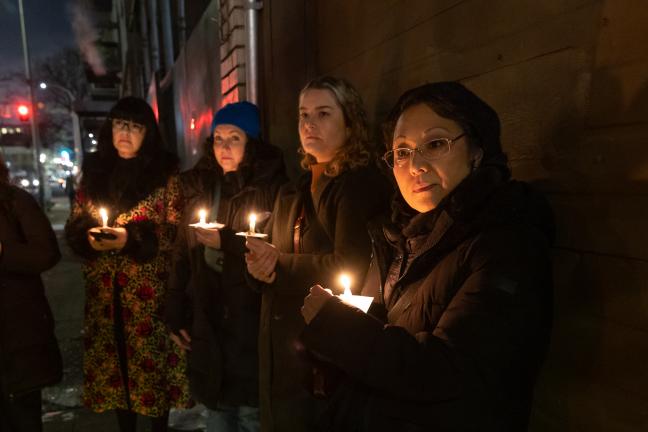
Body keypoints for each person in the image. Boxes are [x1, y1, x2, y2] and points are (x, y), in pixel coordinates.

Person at [299, 82, 555, 431]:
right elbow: (402, 329)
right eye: (401, 152)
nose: (415, 165)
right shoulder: (404, 237)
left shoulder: (508, 244)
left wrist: (338, 326)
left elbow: (449, 374)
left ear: (477, 149)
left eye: (435, 144)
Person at [244, 76, 392, 432]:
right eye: (303, 114)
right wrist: (259, 266)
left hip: (325, 359)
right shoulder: (299, 185)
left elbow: (349, 266)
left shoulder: (356, 185)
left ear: (350, 122)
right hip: (287, 353)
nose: (309, 124)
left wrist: (278, 263)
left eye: (323, 113)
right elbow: (279, 257)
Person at [64, 97, 189, 432]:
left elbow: (175, 230)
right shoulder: (93, 172)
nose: (126, 132)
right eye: (120, 124)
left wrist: (132, 239)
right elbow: (76, 221)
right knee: (115, 366)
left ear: (148, 133)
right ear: (110, 128)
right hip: (105, 295)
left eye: (135, 126)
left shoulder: (164, 174)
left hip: (148, 294)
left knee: (151, 368)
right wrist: (85, 237)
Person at [165, 101, 287, 432]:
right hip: (208, 314)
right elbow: (182, 252)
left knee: (250, 414)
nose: (224, 147)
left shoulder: (272, 188)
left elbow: (275, 250)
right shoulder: (203, 187)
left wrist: (228, 243)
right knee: (217, 411)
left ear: (252, 142)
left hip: (249, 317)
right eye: (218, 138)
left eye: (234, 137)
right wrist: (174, 307)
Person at [0, 154, 62, 432]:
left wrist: (3, 252)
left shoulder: (15, 202)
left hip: (16, 338)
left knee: (22, 417)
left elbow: (46, 254)